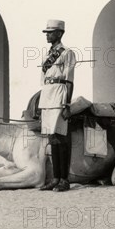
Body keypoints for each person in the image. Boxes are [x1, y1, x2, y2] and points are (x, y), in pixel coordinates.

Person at [38, 19, 77, 192]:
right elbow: (43, 79)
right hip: (47, 96)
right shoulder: (47, 55)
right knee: (52, 139)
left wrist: (67, 103)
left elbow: (69, 80)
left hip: (59, 95)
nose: (47, 35)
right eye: (46, 32)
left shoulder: (67, 53)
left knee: (61, 137)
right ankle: (55, 178)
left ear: (59, 33)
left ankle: (64, 179)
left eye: (50, 32)